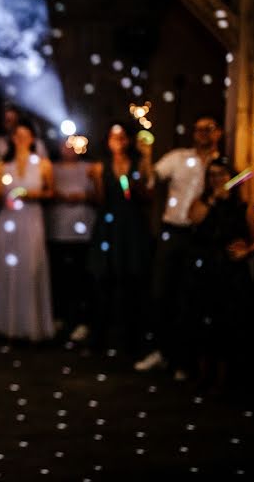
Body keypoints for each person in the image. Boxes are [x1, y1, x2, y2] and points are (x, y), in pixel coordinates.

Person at [136, 115, 222, 377]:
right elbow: (149, 179)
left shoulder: (221, 164)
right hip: (173, 231)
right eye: (198, 129)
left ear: (218, 133)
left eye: (208, 129)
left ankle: (185, 360)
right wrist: (145, 156)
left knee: (192, 298)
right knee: (161, 292)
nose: (202, 133)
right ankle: (161, 351)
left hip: (204, 237)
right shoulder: (178, 157)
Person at [187, 157, 254, 394]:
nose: (217, 179)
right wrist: (211, 200)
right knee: (202, 322)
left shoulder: (243, 206)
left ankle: (223, 379)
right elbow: (194, 218)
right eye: (213, 175)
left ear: (231, 177)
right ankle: (202, 374)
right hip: (206, 270)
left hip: (231, 274)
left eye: (222, 174)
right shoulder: (204, 201)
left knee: (228, 325)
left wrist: (246, 251)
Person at [88, 123, 153, 354]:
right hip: (108, 225)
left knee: (131, 281)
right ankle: (100, 337)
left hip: (131, 226)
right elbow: (98, 199)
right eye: (114, 137)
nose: (118, 141)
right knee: (103, 279)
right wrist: (95, 181)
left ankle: (131, 339)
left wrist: (137, 188)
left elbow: (149, 196)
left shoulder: (140, 163)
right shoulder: (100, 166)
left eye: (122, 137)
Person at [0, 119, 55, 341]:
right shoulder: (1, 164)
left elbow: (50, 192)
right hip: (9, 219)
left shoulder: (43, 164)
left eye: (25, 136)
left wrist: (29, 194)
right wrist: (4, 194)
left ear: (33, 139)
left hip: (32, 218)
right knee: (8, 268)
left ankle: (31, 325)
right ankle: (5, 325)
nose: (21, 140)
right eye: (17, 136)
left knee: (30, 267)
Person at [47, 138, 98, 341]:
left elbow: (99, 194)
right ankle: (59, 318)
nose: (68, 148)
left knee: (81, 278)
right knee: (58, 277)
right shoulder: (51, 168)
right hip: (57, 229)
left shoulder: (91, 167)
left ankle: (81, 320)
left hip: (83, 232)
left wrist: (84, 196)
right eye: (64, 144)